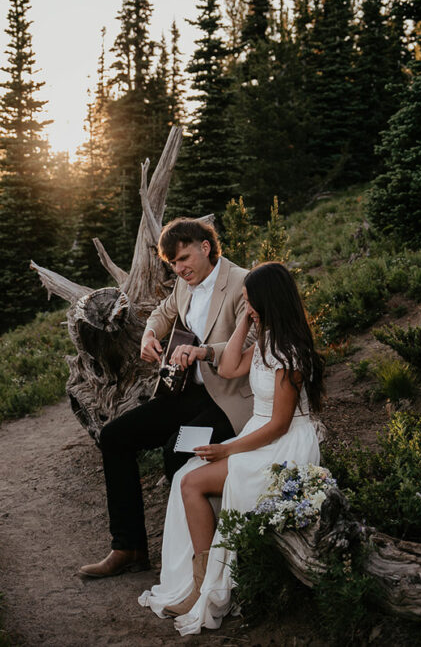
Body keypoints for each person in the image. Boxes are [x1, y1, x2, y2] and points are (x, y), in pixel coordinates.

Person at [138, 261, 325, 635]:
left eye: (249, 300)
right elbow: (228, 368)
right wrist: (246, 322)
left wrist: (228, 450)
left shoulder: (289, 353)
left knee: (192, 483)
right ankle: (196, 582)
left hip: (282, 444)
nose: (245, 304)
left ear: (267, 300)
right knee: (184, 478)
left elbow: (280, 424)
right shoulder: (268, 340)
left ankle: (210, 589)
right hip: (259, 434)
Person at [78, 218, 255, 578]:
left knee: (177, 449)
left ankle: (194, 556)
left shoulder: (241, 282)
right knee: (114, 437)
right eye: (173, 263)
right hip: (187, 392)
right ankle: (128, 547)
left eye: (184, 259)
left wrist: (203, 351)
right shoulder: (185, 284)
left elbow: (253, 345)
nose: (179, 269)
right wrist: (148, 334)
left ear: (206, 247)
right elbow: (163, 312)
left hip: (229, 400)